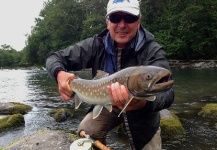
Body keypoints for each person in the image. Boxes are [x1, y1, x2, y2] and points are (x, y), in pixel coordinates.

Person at [46, 0, 174, 149]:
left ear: (138, 22)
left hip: (143, 114)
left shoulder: (153, 50)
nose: (122, 24)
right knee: (87, 130)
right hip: (107, 104)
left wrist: (142, 103)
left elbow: (168, 93)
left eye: (129, 18)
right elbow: (54, 58)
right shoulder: (95, 45)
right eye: (115, 18)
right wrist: (59, 74)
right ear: (107, 22)